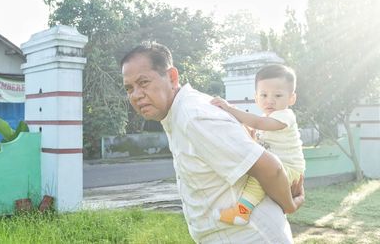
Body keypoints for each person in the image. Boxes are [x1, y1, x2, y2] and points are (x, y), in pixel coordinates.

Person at [121, 41, 304, 244]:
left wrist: (290, 206)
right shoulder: (181, 114)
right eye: (129, 88)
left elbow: (270, 167)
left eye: (144, 82)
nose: (136, 95)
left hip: (250, 237)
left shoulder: (195, 116)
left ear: (172, 77)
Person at [210, 65, 305, 226]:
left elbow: (258, 123)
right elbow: (256, 134)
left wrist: (229, 108)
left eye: (278, 95)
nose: (270, 100)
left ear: (291, 98)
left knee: (260, 176)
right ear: (256, 98)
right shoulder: (267, 118)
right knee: (260, 173)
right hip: (281, 167)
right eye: (264, 95)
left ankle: (241, 212)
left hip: (290, 169)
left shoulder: (285, 116)